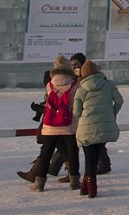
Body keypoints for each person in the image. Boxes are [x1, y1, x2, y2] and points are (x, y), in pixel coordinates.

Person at [17, 57, 81, 191]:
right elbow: (76, 105)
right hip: (69, 124)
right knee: (72, 152)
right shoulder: (75, 84)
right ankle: (74, 182)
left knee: (46, 153)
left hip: (51, 125)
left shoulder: (50, 84)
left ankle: (39, 184)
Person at [72, 60, 124, 198]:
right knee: (94, 157)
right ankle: (86, 186)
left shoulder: (81, 89)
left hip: (86, 128)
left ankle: (92, 188)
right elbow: (119, 101)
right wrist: (112, 113)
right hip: (104, 126)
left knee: (89, 158)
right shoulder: (108, 85)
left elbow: (76, 112)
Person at [69, 52, 111, 175]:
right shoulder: (74, 77)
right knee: (93, 140)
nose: (74, 67)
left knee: (93, 140)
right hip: (84, 112)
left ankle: (102, 165)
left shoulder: (92, 76)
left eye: (76, 64)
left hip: (90, 112)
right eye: (72, 65)